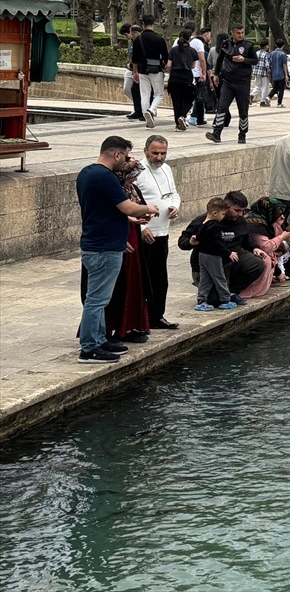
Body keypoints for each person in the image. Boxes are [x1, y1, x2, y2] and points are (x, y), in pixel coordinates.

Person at [76, 136, 159, 363]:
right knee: (97, 299)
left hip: (97, 243)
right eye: (124, 156)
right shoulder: (106, 176)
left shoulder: (86, 173)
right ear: (116, 154)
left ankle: (100, 339)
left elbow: (102, 211)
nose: (125, 161)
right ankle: (89, 348)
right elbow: (126, 206)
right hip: (104, 248)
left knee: (99, 297)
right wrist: (148, 208)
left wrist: (130, 221)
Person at [134, 135, 181, 330]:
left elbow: (173, 194)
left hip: (163, 232)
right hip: (145, 233)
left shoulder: (167, 169)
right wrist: (142, 227)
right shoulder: (137, 172)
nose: (159, 158)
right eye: (155, 153)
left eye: (163, 153)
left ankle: (157, 316)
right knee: (142, 279)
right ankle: (139, 319)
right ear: (146, 151)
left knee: (160, 278)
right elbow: (131, 202)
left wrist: (174, 207)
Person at [207, 24, 257, 144]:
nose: (240, 35)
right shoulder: (226, 44)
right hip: (228, 81)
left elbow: (255, 60)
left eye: (242, 33)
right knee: (222, 106)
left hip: (243, 82)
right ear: (232, 33)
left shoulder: (248, 45)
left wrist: (244, 60)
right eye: (238, 33)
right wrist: (216, 74)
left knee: (243, 109)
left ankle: (242, 134)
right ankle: (217, 133)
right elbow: (219, 60)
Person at [193, 198, 239, 311]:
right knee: (220, 277)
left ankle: (201, 300)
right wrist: (229, 253)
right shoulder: (216, 226)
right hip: (213, 256)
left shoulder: (203, 224)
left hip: (202, 255)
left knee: (206, 279)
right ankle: (225, 300)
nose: (223, 216)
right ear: (215, 213)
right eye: (222, 214)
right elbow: (218, 244)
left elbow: (197, 237)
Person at [131, 14, 170, 129]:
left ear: (143, 24)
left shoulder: (139, 39)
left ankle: (146, 115)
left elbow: (134, 58)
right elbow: (166, 56)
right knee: (158, 93)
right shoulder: (159, 39)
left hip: (142, 70)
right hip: (156, 69)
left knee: (144, 94)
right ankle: (151, 110)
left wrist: (135, 72)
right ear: (154, 23)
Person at [165, 28, 197, 132]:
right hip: (187, 77)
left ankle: (177, 123)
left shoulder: (173, 50)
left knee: (176, 101)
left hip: (174, 77)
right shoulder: (192, 51)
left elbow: (169, 65)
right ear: (189, 39)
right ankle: (182, 116)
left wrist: (172, 72)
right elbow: (193, 66)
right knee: (188, 99)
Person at [121, 24, 145, 122]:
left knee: (137, 91)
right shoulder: (132, 42)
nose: (127, 37)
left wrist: (133, 68)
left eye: (127, 35)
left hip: (138, 70)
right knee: (132, 90)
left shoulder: (140, 42)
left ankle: (143, 110)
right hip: (133, 69)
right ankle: (138, 109)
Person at [188, 26, 211, 125]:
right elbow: (206, 65)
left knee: (195, 98)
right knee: (199, 97)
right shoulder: (204, 53)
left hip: (189, 74)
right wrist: (205, 74)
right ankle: (195, 117)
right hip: (198, 75)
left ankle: (196, 117)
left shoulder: (189, 48)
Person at [268, 38, 289, 107]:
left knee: (275, 88)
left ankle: (268, 97)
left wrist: (270, 74)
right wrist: (286, 75)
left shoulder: (271, 54)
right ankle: (279, 103)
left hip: (274, 73)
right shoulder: (283, 54)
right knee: (281, 89)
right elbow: (284, 65)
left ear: (276, 45)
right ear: (283, 46)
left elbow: (270, 64)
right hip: (281, 74)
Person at [253, 39, 272, 106]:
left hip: (256, 71)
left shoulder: (256, 53)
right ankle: (262, 101)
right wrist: (269, 72)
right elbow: (267, 65)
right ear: (266, 46)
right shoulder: (266, 54)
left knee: (258, 85)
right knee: (265, 87)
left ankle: (252, 95)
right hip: (264, 73)